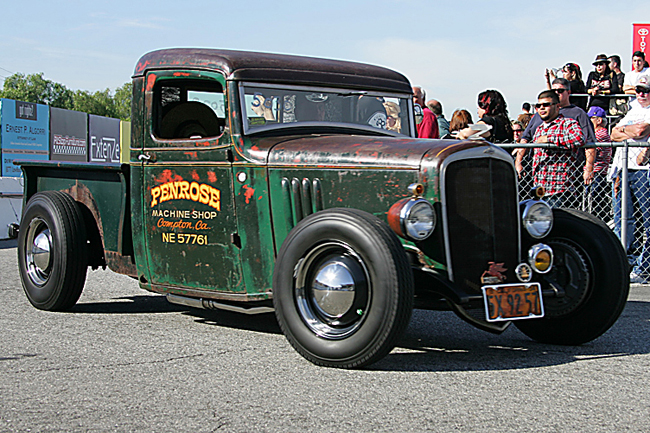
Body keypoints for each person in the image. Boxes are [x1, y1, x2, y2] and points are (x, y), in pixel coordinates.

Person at [609, 76, 650, 283]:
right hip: (623, 168)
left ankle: (644, 267)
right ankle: (627, 263)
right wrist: (628, 132)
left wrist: (624, 132)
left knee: (647, 221)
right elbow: (613, 134)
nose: (641, 94)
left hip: (643, 171)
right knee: (623, 220)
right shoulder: (633, 110)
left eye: (646, 90)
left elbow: (641, 131)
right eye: (639, 89)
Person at [516, 78, 595, 179]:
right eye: (554, 91)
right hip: (539, 172)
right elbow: (525, 139)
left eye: (560, 91)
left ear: (569, 92)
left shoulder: (577, 115)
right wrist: (518, 161)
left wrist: (589, 168)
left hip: (567, 173)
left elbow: (588, 142)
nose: (557, 93)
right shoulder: (539, 117)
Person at [529, 90, 585, 207]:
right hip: (540, 190)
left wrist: (550, 139)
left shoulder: (568, 123)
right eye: (538, 106)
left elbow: (578, 138)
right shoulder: (539, 128)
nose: (542, 108)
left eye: (546, 105)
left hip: (560, 191)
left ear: (557, 106)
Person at [584, 106, 613, 218]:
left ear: (599, 120)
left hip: (596, 174)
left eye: (591, 118)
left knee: (593, 207)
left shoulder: (600, 135)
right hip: (595, 174)